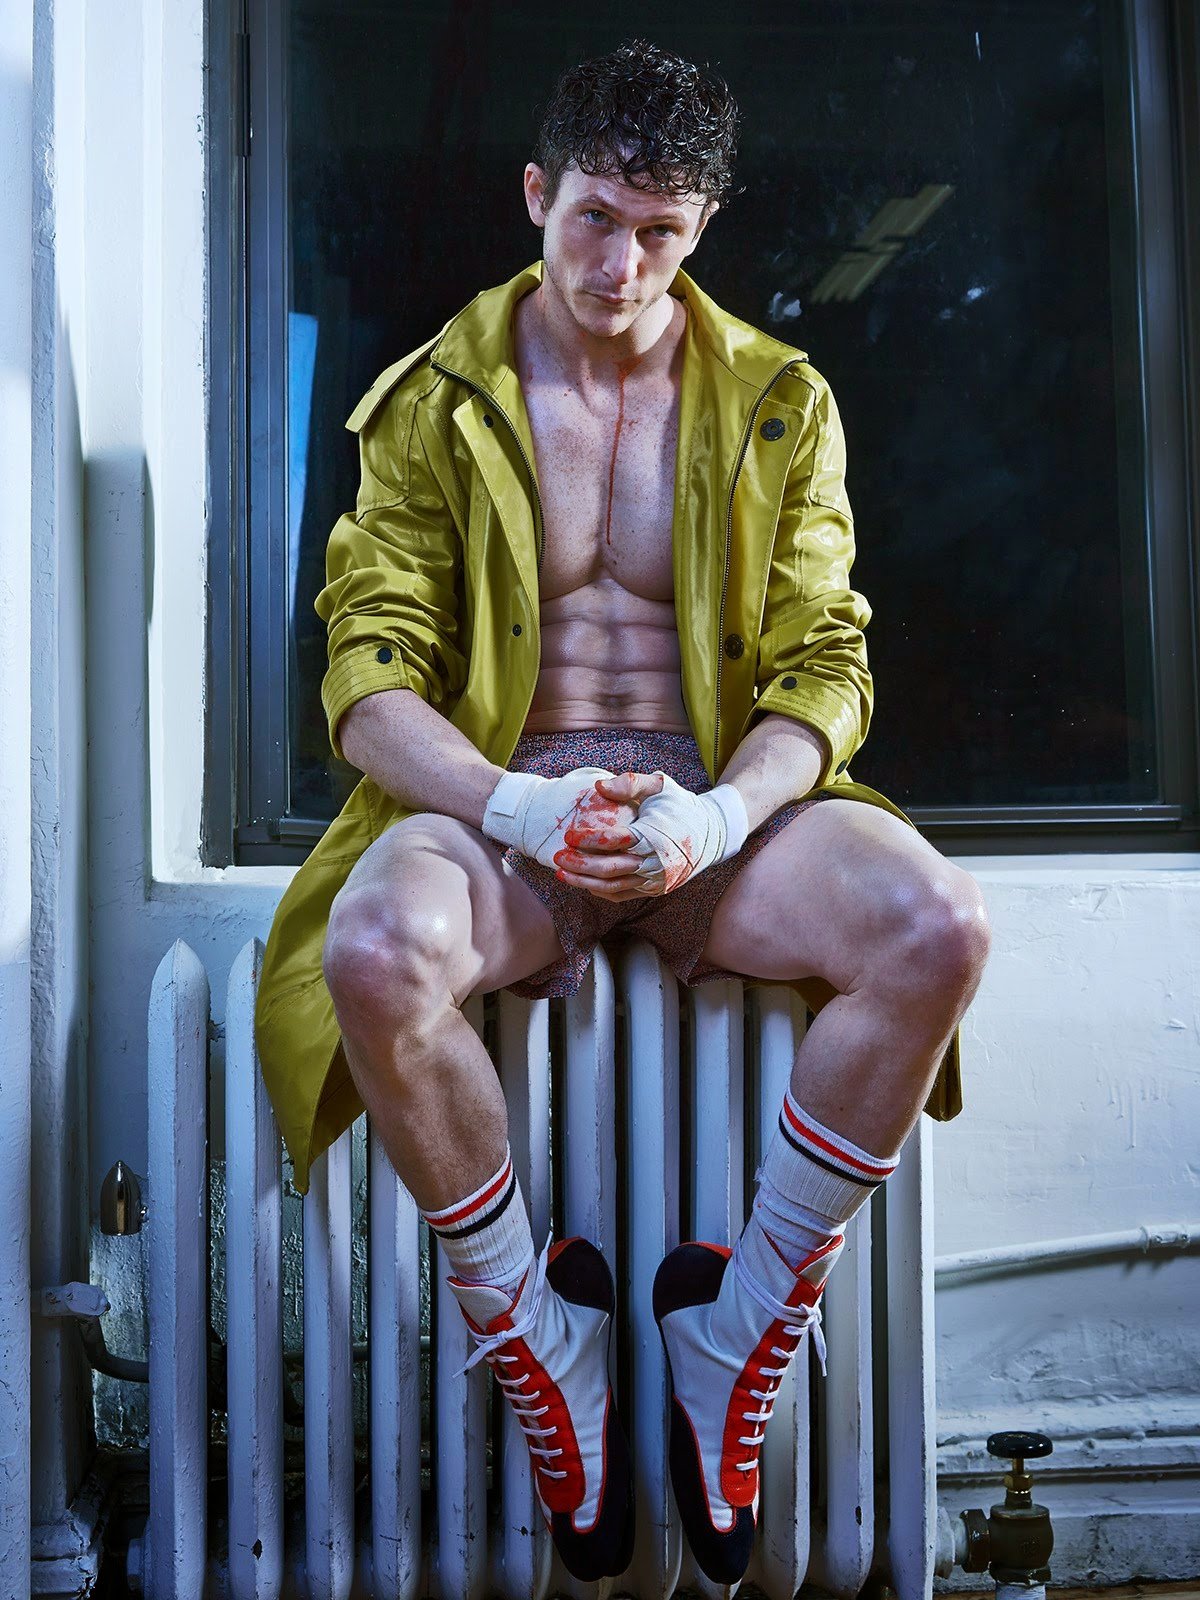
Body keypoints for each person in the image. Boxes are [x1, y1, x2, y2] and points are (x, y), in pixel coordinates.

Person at [254, 38, 991, 1587]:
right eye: (596, 217)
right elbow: (368, 680)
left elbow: (826, 665)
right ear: (539, 192)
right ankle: (541, 1338)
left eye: (662, 231)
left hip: (716, 809)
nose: (622, 264)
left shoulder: (779, 400)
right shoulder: (436, 400)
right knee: (377, 952)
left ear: (703, 225)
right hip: (510, 805)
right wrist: (518, 803)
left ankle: (740, 1331)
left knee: (937, 927)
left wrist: (717, 822)